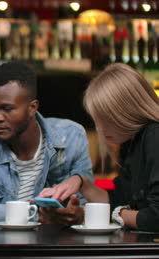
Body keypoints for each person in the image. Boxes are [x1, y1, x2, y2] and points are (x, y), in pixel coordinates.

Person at [0, 61, 94, 225]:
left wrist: (79, 214)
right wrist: (36, 215)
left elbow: (88, 203)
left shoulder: (71, 137)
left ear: (32, 108)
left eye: (6, 109)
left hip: (55, 245)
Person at [38, 63, 159, 232]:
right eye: (96, 120)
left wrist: (119, 214)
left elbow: (155, 217)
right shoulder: (132, 142)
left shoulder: (154, 136)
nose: (99, 128)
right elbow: (116, 200)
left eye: (105, 119)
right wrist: (80, 182)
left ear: (126, 112)